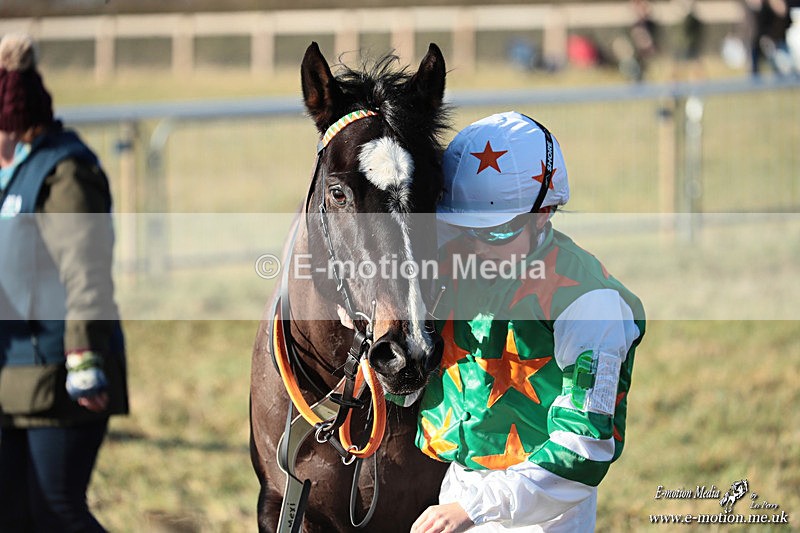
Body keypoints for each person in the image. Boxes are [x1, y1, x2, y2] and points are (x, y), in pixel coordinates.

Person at [411, 112, 645, 532]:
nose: (477, 246)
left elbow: (584, 449)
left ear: (544, 212)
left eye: (496, 231)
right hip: (459, 491)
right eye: (463, 229)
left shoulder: (592, 305)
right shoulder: (457, 263)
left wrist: (477, 507)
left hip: (542, 512)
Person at [0, 33, 128, 531]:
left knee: (54, 510)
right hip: (11, 374)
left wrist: (84, 357)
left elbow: (86, 270)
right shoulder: (12, 173)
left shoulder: (65, 171)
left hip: (60, 373)